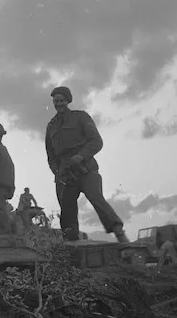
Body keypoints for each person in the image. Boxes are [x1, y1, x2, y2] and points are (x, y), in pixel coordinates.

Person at [45, 86, 129, 243]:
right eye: (56, 101)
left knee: (96, 197)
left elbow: (97, 141)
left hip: (86, 168)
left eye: (61, 100)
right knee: (67, 209)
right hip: (65, 173)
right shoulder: (51, 126)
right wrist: (57, 172)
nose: (59, 104)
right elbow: (51, 155)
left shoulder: (81, 117)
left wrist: (81, 155)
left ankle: (120, 234)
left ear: (68, 101)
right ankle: (71, 245)